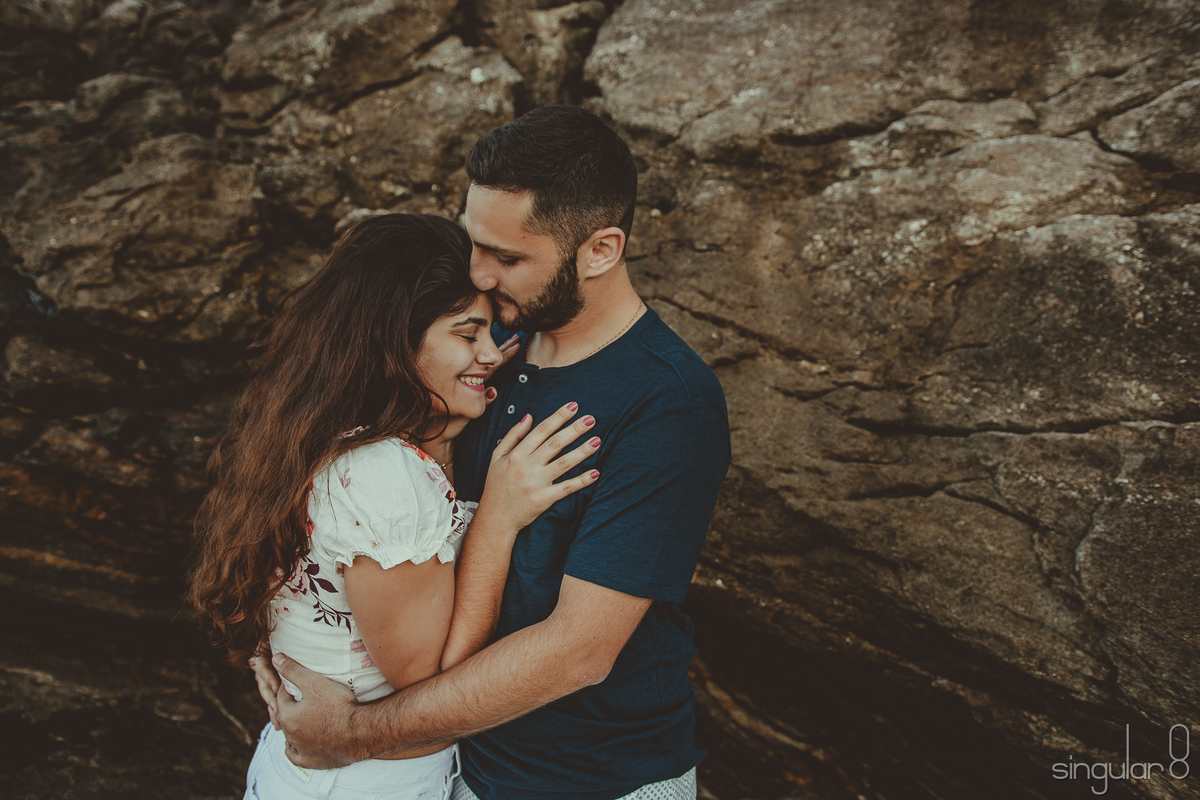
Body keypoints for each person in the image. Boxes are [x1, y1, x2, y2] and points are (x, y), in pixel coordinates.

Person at [258, 106, 732, 800]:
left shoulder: (668, 401)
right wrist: (288, 648)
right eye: (474, 242)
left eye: (507, 258)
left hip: (588, 781)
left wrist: (354, 732)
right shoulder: (483, 354)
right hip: (451, 766)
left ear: (600, 250)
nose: (478, 275)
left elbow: (578, 653)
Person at [189, 213, 601, 800]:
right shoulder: (383, 475)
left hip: (310, 774)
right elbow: (433, 684)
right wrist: (498, 519)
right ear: (394, 343)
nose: (492, 352)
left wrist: (445, 426)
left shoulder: (313, 436)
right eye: (467, 334)